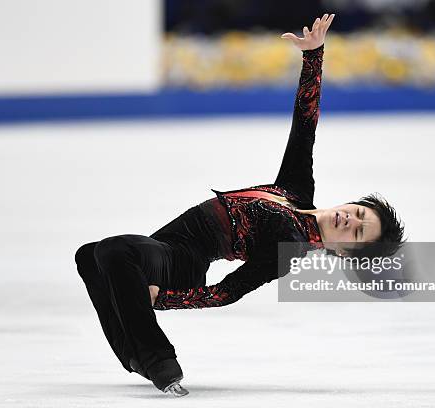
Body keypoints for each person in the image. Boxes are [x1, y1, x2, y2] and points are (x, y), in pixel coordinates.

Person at [74, 13, 404, 397]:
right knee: (90, 256)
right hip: (165, 248)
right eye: (360, 213)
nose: (351, 220)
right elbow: (305, 124)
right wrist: (313, 55)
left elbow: (228, 291)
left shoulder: (292, 247)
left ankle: (161, 363)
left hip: (181, 266)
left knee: (117, 250)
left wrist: (164, 298)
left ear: (345, 251)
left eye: (359, 233)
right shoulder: (295, 190)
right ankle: (132, 354)